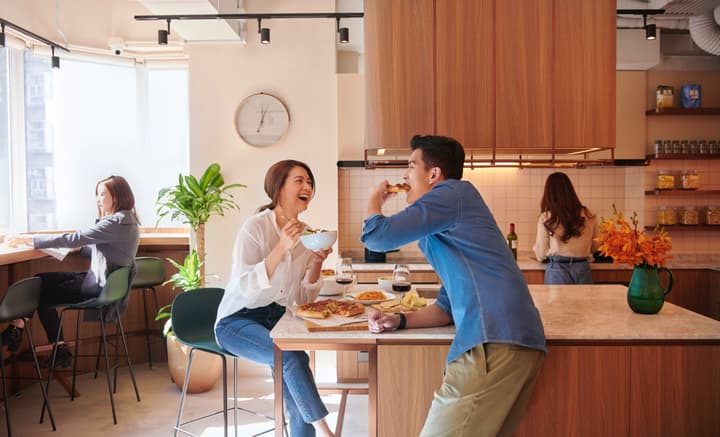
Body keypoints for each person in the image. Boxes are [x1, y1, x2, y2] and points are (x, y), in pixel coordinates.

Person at [362, 135, 546, 437]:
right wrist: (400, 320)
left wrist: (374, 199)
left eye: (411, 166)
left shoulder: (451, 194)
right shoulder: (448, 217)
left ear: (434, 174)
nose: (405, 176)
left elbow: (377, 236)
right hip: (512, 343)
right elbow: (446, 308)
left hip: (494, 340)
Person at [214, 160, 336, 437]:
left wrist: (316, 261)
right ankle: (325, 431)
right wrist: (281, 247)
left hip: (275, 318)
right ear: (278, 188)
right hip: (236, 321)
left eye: (310, 182)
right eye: (300, 181)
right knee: (288, 356)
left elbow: (301, 298)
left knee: (295, 361)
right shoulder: (254, 228)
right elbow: (244, 286)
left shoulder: (308, 235)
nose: (308, 187)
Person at [5, 175, 140, 367]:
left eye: (103, 194)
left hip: (96, 288)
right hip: (104, 284)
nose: (98, 199)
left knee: (41, 292)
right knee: (41, 279)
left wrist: (30, 241)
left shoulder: (114, 222)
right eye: (97, 194)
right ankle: (19, 329)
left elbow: (76, 238)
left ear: (116, 197)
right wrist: (81, 250)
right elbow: (110, 251)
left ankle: (42, 342)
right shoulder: (128, 220)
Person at [533, 172, 598, 285]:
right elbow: (596, 247)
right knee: (584, 303)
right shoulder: (588, 215)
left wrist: (535, 249)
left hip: (557, 270)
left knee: (556, 303)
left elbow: (541, 253)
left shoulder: (547, 217)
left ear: (549, 194)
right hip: (582, 268)